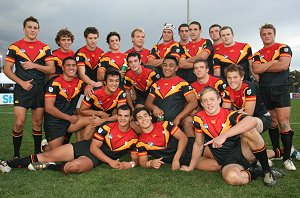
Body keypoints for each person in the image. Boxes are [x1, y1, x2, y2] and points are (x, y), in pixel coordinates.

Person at [181, 87, 284, 187]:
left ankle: (267, 171)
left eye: (212, 99)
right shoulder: (199, 118)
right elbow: (198, 144)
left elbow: (252, 121)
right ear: (202, 104)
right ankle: (257, 172)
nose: (209, 103)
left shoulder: (229, 114)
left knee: (249, 130)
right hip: (226, 160)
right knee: (233, 178)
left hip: (243, 152)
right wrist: (191, 167)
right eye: (205, 100)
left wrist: (224, 136)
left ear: (219, 100)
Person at [2, 105, 138, 174]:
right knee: (47, 155)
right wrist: (111, 162)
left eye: (126, 116)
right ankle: (8, 164)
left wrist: (130, 164)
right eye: (120, 115)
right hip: (87, 147)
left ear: (131, 118)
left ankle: (50, 166)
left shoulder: (133, 137)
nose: (122, 119)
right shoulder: (107, 126)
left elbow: (136, 158)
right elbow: (93, 148)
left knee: (72, 167)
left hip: (94, 159)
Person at [4, 16, 55, 157]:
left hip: (39, 89)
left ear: (38, 30)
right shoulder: (15, 47)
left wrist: (34, 65)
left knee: (37, 123)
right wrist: (21, 83)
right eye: (30, 27)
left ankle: (37, 155)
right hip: (22, 89)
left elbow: (51, 69)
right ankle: (16, 155)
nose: (32, 30)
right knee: (19, 123)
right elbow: (7, 70)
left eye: (35, 27)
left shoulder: (45, 48)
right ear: (24, 28)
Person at [252, 23, 296, 171]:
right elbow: (256, 69)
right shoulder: (258, 53)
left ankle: (287, 158)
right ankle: (277, 151)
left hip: (281, 88)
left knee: (284, 122)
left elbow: (283, 65)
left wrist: (265, 67)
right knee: (272, 122)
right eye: (264, 34)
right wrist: (272, 62)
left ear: (274, 34)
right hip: (265, 89)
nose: (266, 36)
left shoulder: (283, 47)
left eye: (269, 33)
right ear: (261, 36)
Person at [44, 57, 93, 150]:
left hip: (70, 122)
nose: (71, 68)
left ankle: (82, 148)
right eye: (68, 65)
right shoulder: (54, 82)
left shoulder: (79, 83)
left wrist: (89, 85)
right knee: (56, 155)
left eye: (74, 65)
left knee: (93, 120)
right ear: (62, 67)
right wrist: (69, 118)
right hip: (55, 122)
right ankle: (46, 147)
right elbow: (49, 108)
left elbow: (88, 88)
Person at [145, 56, 198, 137]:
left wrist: (178, 118)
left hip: (176, 124)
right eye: (165, 65)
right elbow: (148, 103)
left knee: (188, 121)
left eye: (171, 65)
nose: (167, 68)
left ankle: (191, 148)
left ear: (176, 68)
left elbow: (193, 102)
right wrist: (154, 108)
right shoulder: (156, 84)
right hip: (159, 123)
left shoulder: (182, 83)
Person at [79, 69, 127, 139]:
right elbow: (82, 110)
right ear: (105, 82)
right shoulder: (94, 92)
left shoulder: (121, 93)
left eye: (116, 81)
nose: (114, 84)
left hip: (108, 117)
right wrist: (100, 113)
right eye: (111, 81)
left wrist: (102, 121)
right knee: (89, 128)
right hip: (92, 115)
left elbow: (121, 114)